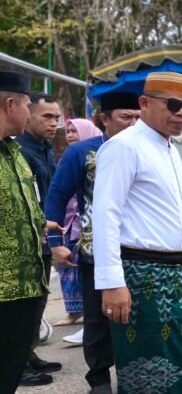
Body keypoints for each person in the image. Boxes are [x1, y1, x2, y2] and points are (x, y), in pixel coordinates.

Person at [93, 71, 182, 394]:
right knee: (144, 367)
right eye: (172, 105)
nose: (181, 114)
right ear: (145, 104)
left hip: (171, 273)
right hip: (139, 274)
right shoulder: (123, 147)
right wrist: (112, 282)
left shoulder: (170, 148)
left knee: (172, 361)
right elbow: (106, 215)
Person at [44, 92, 140, 394]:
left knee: (139, 317)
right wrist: (56, 245)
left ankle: (137, 375)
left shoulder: (147, 148)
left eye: (137, 117)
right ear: (104, 119)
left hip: (142, 251)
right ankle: (98, 378)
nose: (133, 123)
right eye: (126, 117)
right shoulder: (83, 153)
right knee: (99, 318)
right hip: (94, 250)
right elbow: (57, 197)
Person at [0, 71, 48, 394]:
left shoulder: (13, 152)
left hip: (24, 283)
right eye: (29, 104)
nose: (31, 111)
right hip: (2, 286)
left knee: (9, 368)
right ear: (10, 105)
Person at [17, 91, 64, 385]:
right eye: (47, 116)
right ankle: (16, 364)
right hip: (28, 239)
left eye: (57, 117)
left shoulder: (44, 148)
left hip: (44, 239)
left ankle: (27, 354)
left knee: (39, 301)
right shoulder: (19, 151)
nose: (54, 123)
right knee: (25, 306)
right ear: (27, 114)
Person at [55, 118, 103, 328]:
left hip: (84, 226)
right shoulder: (70, 157)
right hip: (69, 225)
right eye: (68, 131)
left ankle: (82, 315)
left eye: (75, 131)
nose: (70, 135)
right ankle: (75, 312)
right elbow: (58, 194)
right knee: (69, 272)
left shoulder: (99, 156)